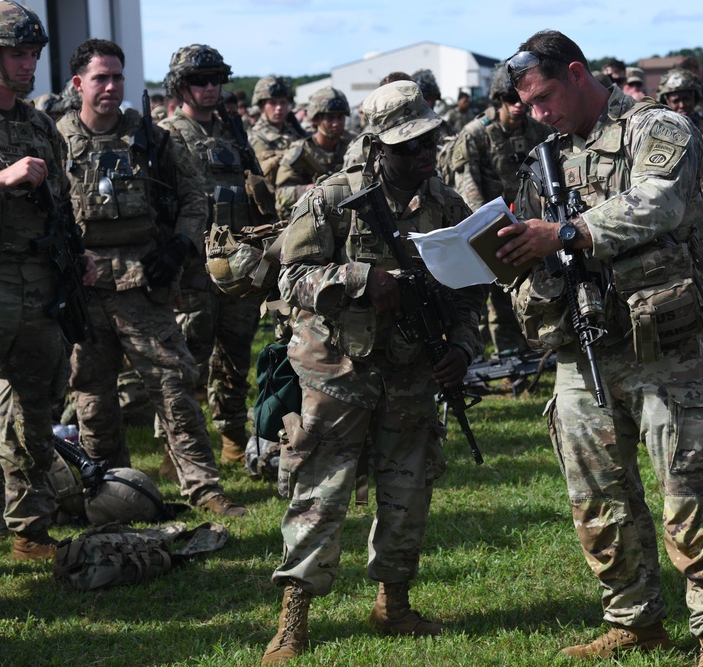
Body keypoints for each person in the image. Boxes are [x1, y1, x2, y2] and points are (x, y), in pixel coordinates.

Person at [496, 30, 703, 665]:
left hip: (661, 343)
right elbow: (536, 237)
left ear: (578, 74)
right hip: (582, 345)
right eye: (528, 105)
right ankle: (634, 618)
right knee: (597, 497)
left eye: (546, 97)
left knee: (688, 491)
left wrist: (566, 231)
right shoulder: (549, 155)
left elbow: (659, 202)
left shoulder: (657, 127)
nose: (539, 113)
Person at [260, 80, 484, 665]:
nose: (422, 155)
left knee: (408, 489)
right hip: (337, 369)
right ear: (377, 145)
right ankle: (293, 620)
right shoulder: (331, 196)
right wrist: (358, 280)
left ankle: (394, 602)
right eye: (407, 146)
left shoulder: (444, 203)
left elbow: (467, 290)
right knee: (320, 493)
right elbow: (289, 279)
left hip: (412, 370)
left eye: (429, 141)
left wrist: (461, 345)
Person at [58, 38, 245, 516]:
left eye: (118, 77)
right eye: (101, 77)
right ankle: (110, 490)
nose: (111, 86)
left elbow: (195, 198)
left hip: (145, 284)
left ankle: (204, 488)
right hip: (85, 290)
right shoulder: (54, 139)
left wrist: (179, 245)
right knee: (93, 400)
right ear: (79, 83)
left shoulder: (153, 138)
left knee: (175, 389)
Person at [0, 0, 95, 561]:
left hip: (39, 282)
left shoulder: (38, 123)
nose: (28, 65)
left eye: (33, 54)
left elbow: (62, 202)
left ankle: (30, 530)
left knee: (35, 413)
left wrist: (77, 254)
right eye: (17, 54)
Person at [159, 44, 267, 466]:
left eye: (215, 80)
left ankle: (232, 437)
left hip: (238, 264)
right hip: (192, 266)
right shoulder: (165, 135)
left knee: (236, 354)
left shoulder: (233, 137)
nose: (209, 88)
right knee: (188, 359)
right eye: (198, 81)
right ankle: (178, 446)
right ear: (180, 86)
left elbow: (256, 196)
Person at [450, 64, 552, 356]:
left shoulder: (538, 130)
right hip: (494, 227)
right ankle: (508, 353)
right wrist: (494, 229)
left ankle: (541, 346)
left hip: (534, 224)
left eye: (521, 97)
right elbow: (468, 186)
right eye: (510, 98)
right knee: (499, 298)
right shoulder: (474, 134)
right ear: (498, 98)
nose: (517, 105)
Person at [274, 87, 354, 218]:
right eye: (330, 118)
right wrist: (312, 190)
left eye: (340, 117)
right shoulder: (300, 151)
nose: (336, 123)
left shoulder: (351, 144)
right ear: (316, 120)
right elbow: (281, 194)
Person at [248, 75, 306, 184]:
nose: (279, 108)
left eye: (283, 102)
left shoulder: (294, 132)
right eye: (273, 103)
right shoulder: (255, 137)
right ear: (261, 106)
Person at [656, 67, 703, 133]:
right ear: (667, 102)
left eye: (686, 99)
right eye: (676, 101)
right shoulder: (660, 130)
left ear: (694, 98)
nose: (682, 105)